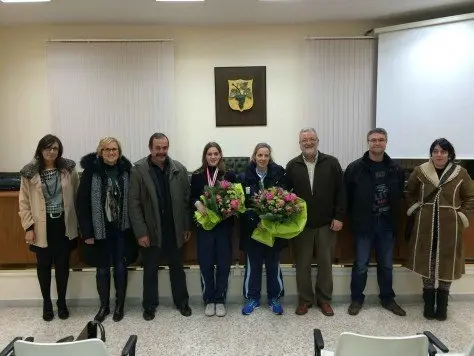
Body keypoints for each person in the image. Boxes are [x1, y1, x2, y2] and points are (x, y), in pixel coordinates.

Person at [405, 138, 474, 321]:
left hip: (450, 226)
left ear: (449, 154)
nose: (439, 155)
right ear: (431, 153)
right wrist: (416, 209)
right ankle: (428, 304)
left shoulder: (461, 173)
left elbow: (470, 197)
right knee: (427, 261)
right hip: (425, 225)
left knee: (447, 262)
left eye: (443, 151)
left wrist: (461, 216)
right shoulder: (420, 171)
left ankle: (442, 306)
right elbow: (408, 193)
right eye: (435, 151)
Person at [129, 132, 192, 320]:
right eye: (158, 148)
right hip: (151, 231)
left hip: (174, 230)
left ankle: (182, 302)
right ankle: (149, 306)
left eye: (164, 147)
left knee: (177, 269)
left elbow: (186, 201)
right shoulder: (138, 170)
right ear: (150, 148)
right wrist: (141, 232)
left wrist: (186, 226)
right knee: (150, 270)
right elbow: (134, 205)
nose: (161, 151)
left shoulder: (179, 169)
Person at [344, 128, 406, 317]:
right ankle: (356, 299)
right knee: (361, 264)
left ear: (386, 142)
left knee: (386, 264)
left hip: (387, 224)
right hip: (364, 224)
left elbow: (400, 195)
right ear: (368, 142)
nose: (377, 143)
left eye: (381, 140)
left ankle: (387, 299)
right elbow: (347, 197)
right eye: (373, 140)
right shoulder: (355, 168)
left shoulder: (396, 169)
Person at [76, 137, 138, 323]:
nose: (111, 153)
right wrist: (87, 233)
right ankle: (104, 307)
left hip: (122, 230)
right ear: (100, 152)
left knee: (120, 268)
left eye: (114, 149)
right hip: (99, 230)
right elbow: (82, 203)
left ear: (119, 152)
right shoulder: (90, 172)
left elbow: (134, 200)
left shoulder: (127, 170)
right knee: (102, 270)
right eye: (107, 150)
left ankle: (119, 306)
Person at [285, 128, 345, 316]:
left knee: (325, 264)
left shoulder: (332, 163)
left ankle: (324, 300)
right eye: (305, 140)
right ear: (299, 143)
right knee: (302, 265)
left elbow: (341, 192)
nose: (308, 143)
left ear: (317, 141)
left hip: (326, 223)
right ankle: (305, 300)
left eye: (312, 139)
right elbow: (286, 195)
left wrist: (339, 216)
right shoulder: (292, 165)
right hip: (301, 226)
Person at [18, 134, 79, 321]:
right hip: (41, 226)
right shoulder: (29, 173)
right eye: (47, 148)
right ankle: (47, 303)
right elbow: (24, 202)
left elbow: (77, 196)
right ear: (40, 150)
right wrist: (28, 227)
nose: (51, 151)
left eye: (55, 148)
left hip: (63, 225)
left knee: (62, 265)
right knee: (43, 265)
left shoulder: (69, 169)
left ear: (59, 150)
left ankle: (61, 302)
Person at [239, 143, 287, 315]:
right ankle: (253, 298)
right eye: (260, 155)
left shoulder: (278, 174)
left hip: (272, 230)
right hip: (253, 231)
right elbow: (240, 205)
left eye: (266, 155)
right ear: (254, 156)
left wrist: (271, 219)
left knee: (273, 265)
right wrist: (255, 222)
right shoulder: (243, 176)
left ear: (269, 157)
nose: (263, 158)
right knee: (254, 266)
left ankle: (274, 298)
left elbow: (284, 199)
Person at [190, 142, 236, 317]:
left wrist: (232, 207)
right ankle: (209, 299)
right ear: (205, 156)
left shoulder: (229, 175)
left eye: (216, 153)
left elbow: (236, 197)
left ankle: (220, 300)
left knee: (224, 264)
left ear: (220, 155)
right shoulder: (197, 175)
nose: (213, 157)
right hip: (205, 227)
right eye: (209, 154)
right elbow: (191, 197)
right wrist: (197, 203)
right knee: (206, 263)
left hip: (224, 227)